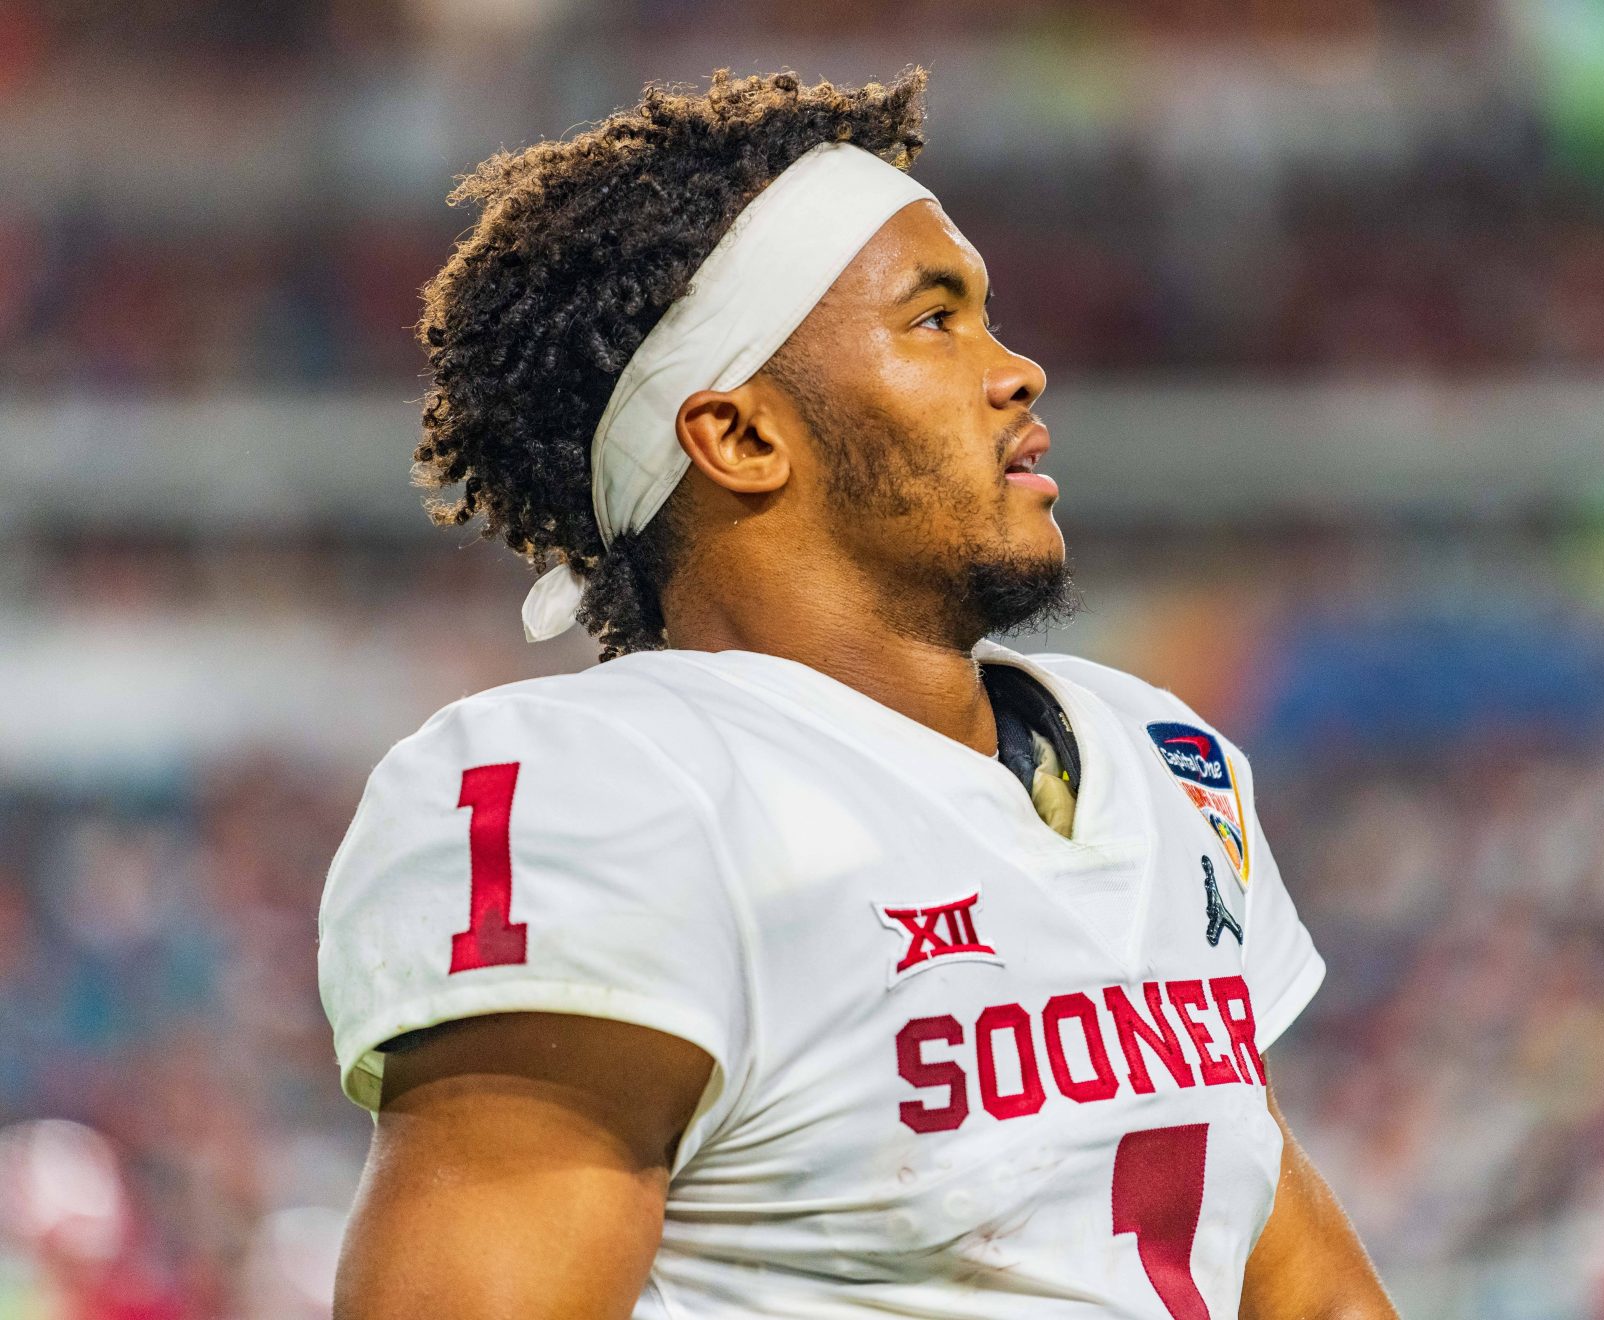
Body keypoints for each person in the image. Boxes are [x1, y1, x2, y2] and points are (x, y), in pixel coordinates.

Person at [318, 67, 1396, 1320]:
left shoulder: (1161, 758)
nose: (1020, 370)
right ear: (741, 436)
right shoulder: (610, 793)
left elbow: (1285, 1267)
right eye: (937, 321)